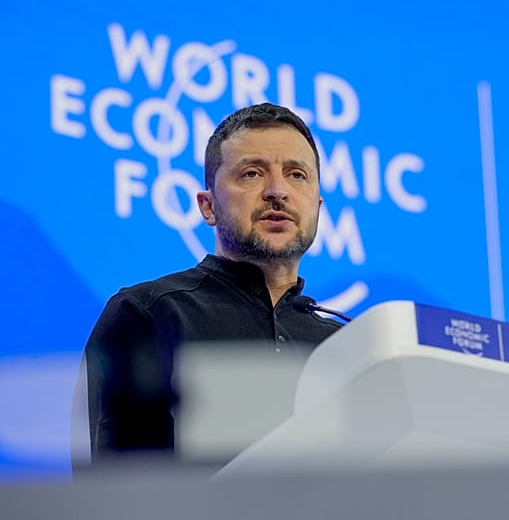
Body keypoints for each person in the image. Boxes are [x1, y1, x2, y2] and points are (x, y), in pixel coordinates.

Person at [84, 103, 342, 460]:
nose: (277, 191)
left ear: (317, 205)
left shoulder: (345, 346)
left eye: (297, 174)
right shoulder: (148, 314)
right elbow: (110, 492)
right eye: (252, 173)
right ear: (208, 206)